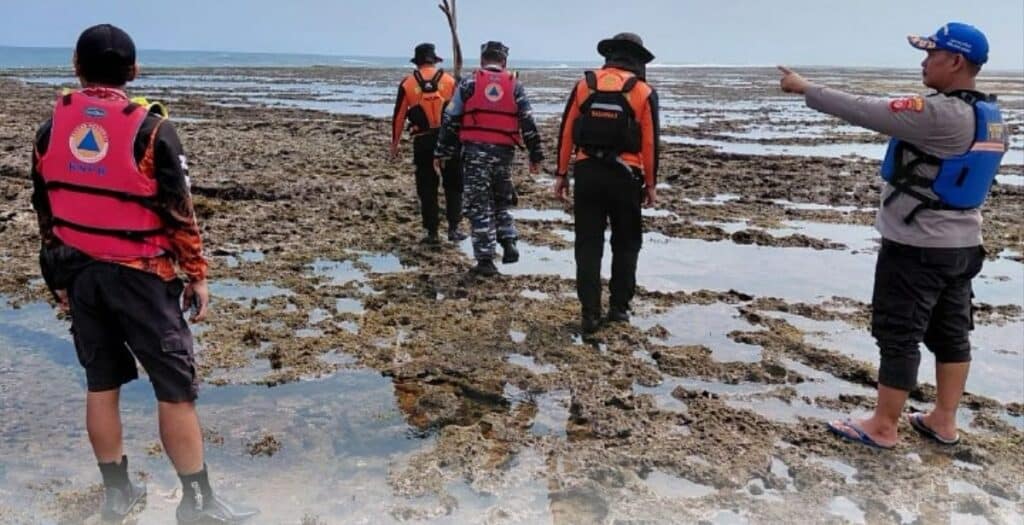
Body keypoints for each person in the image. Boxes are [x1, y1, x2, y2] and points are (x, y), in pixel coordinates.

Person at [31, 24, 257, 523]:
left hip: (81, 276)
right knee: (175, 391)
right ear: (133, 71)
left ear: (76, 66)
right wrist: (197, 274)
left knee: (101, 385)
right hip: (142, 278)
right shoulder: (152, 131)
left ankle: (118, 493)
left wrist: (60, 281)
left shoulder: (50, 130)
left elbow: (46, 214)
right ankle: (197, 505)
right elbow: (180, 212)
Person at [778, 22, 1008, 449]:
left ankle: (883, 426)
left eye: (931, 54)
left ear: (955, 61)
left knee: (898, 332)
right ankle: (944, 419)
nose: (923, 62)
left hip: (918, 246)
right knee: (953, 333)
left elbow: (867, 109)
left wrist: (804, 87)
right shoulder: (991, 117)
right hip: (963, 247)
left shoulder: (938, 113)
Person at [553, 33, 660, 334]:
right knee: (626, 244)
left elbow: (566, 134)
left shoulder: (584, 85)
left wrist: (561, 174)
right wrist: (650, 184)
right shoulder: (642, 91)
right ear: (637, 59)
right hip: (627, 176)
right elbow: (650, 144)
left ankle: (589, 313)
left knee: (588, 245)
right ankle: (619, 309)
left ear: (609, 56)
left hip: (587, 172)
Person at [434, 41, 545, 276]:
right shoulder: (515, 86)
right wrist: (536, 155)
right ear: (504, 62)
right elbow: (528, 123)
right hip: (504, 154)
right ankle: (508, 239)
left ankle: (485, 260)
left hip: (475, 153)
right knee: (501, 199)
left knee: (479, 205)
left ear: (483, 60)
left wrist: (442, 151)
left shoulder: (469, 83)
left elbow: (450, 118)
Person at [390, 43, 465, 244]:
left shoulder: (407, 83)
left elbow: (398, 117)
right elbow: (460, 112)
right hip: (449, 139)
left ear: (417, 62)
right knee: (454, 184)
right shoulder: (450, 81)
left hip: (423, 140)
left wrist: (395, 144)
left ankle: (432, 232)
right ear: (435, 60)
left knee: (427, 186)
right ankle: (454, 228)